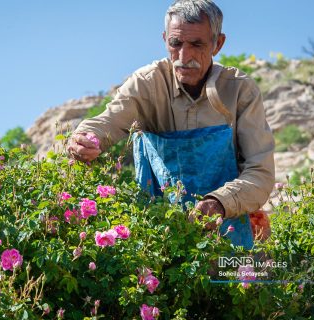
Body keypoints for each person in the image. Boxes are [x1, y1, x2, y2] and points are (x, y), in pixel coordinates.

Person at [67, 0, 275, 236]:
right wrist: (85, 138)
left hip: (229, 226)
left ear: (218, 44)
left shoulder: (239, 90)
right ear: (165, 39)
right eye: (175, 44)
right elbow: (109, 120)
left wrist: (219, 202)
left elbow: (261, 173)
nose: (184, 56)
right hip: (158, 232)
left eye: (197, 44)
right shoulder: (147, 83)